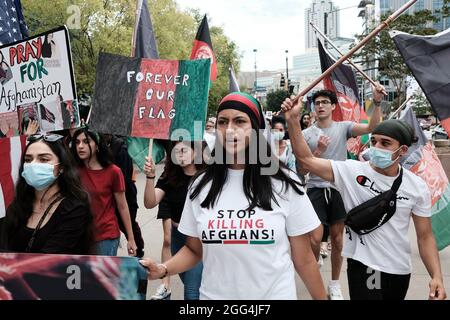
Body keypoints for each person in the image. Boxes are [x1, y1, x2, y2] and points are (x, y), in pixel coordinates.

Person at [140, 92, 327, 300]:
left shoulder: (284, 183)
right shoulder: (200, 186)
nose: (229, 130)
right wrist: (162, 269)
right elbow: (194, 250)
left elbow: (305, 260)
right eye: (222, 122)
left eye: (239, 121)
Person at [282, 97, 447, 300]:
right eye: (374, 141)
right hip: (367, 267)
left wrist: (437, 276)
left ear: (402, 150)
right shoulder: (350, 172)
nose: (376, 147)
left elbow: (425, 236)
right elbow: (306, 160)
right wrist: (292, 121)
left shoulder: (416, 186)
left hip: (400, 270)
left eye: (385, 143)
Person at [295, 87, 383, 299]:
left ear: (333, 107)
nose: (321, 106)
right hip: (315, 189)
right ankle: (314, 270)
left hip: (339, 189)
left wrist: (377, 103)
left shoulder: (343, 127)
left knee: (337, 239)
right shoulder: (306, 134)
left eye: (325, 102)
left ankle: (334, 283)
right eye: (317, 103)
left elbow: (373, 126)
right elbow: (302, 170)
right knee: (315, 239)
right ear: (313, 108)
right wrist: (318, 153)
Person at [0, 133, 93, 254]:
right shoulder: (17, 205)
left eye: (43, 159)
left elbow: (49, 260)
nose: (33, 165)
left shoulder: (75, 208)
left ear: (61, 167)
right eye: (28, 159)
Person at [143, 140, 206, 300]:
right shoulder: (170, 177)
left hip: (197, 240)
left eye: (184, 150)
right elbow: (150, 203)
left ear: (196, 151)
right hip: (177, 237)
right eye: (176, 151)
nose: (180, 154)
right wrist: (150, 177)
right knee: (193, 285)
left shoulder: (207, 178)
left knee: (191, 293)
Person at [71, 128, 137, 256]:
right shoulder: (73, 172)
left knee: (103, 276)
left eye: (86, 141)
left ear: (97, 144)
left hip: (106, 236)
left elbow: (123, 206)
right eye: (77, 142)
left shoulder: (113, 171)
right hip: (80, 236)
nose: (80, 146)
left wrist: (131, 238)